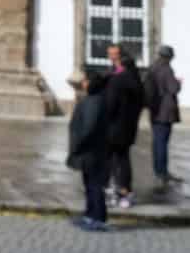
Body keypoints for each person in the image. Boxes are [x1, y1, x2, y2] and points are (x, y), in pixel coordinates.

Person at [67, 68, 112, 232]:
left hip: (91, 150)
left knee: (94, 185)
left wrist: (78, 144)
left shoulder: (93, 101)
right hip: (91, 150)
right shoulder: (93, 99)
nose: (83, 83)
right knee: (89, 184)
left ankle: (98, 218)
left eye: (86, 80)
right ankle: (89, 215)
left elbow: (89, 128)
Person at [103, 44, 145, 208]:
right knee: (123, 159)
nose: (111, 57)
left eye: (113, 55)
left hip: (115, 125)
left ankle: (117, 191)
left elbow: (110, 104)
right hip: (128, 125)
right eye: (109, 54)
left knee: (114, 160)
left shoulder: (118, 78)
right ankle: (125, 191)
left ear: (120, 57)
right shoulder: (133, 76)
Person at [144, 44, 182, 191]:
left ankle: (158, 170)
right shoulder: (166, 69)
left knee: (157, 141)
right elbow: (173, 89)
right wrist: (178, 83)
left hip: (154, 109)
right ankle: (162, 172)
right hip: (165, 111)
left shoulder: (152, 68)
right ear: (169, 56)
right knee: (162, 143)